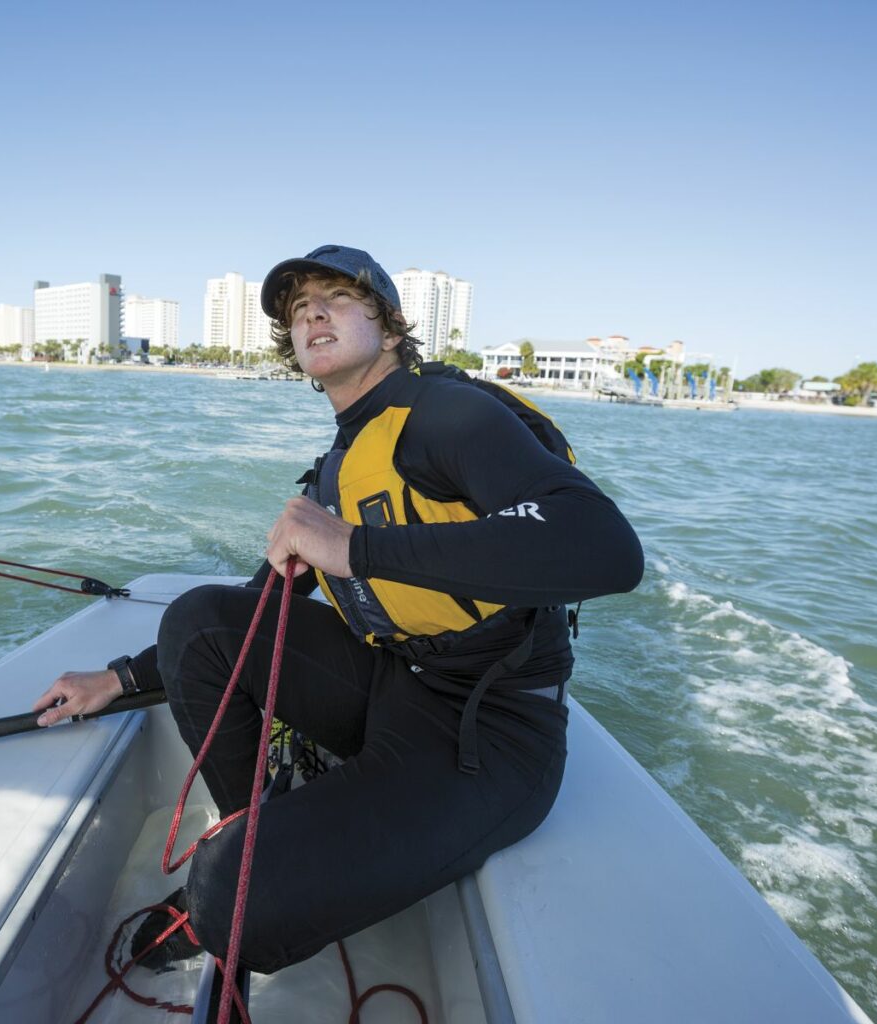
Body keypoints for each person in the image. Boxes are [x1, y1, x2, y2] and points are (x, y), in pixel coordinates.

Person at [32, 244, 642, 975]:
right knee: (198, 621)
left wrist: (357, 548)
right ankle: (257, 822)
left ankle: (237, 886)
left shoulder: (449, 415)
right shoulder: (338, 465)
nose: (312, 312)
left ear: (388, 328)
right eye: (297, 310)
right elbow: (257, 611)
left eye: (337, 298)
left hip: (492, 732)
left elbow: (606, 547)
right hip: (397, 684)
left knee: (230, 894)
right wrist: (120, 681)